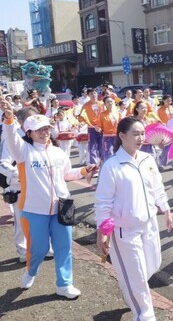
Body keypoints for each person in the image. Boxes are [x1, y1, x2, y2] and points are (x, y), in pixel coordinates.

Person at [0, 100, 97, 299]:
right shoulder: (24, 152)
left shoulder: (58, 152)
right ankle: (30, 271)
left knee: (64, 247)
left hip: (60, 208)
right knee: (39, 249)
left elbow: (68, 174)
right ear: (29, 133)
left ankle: (64, 284)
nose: (44, 133)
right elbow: (11, 137)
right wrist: (9, 118)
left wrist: (86, 170)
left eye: (46, 128)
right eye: (39, 130)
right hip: (33, 210)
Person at [95, 116, 173, 321]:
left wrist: (165, 209)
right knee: (137, 276)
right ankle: (144, 314)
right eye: (135, 134)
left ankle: (130, 289)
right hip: (124, 231)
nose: (141, 138)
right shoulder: (112, 166)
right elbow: (103, 203)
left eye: (142, 133)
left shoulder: (147, 159)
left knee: (151, 266)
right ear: (122, 136)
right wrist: (103, 232)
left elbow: (157, 187)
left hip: (149, 225)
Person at [0, 107, 38, 264]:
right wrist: (19, 175)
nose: (35, 122)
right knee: (21, 218)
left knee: (41, 218)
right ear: (21, 121)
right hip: (18, 185)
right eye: (30, 119)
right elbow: (3, 164)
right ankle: (23, 250)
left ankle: (43, 247)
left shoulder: (40, 135)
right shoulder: (12, 137)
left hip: (38, 185)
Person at [80, 88, 105, 164]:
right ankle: (94, 165)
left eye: (94, 93)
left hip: (101, 128)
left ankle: (103, 163)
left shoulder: (102, 104)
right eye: (91, 94)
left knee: (102, 146)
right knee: (92, 147)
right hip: (92, 128)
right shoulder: (85, 106)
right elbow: (82, 118)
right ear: (88, 95)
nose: (93, 95)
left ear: (97, 94)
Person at [98, 96, 120, 161]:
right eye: (107, 102)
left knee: (117, 153)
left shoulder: (117, 113)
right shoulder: (102, 114)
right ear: (105, 104)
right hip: (107, 137)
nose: (110, 103)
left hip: (116, 136)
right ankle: (108, 168)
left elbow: (120, 124)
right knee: (108, 154)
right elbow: (99, 125)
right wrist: (98, 128)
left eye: (111, 101)